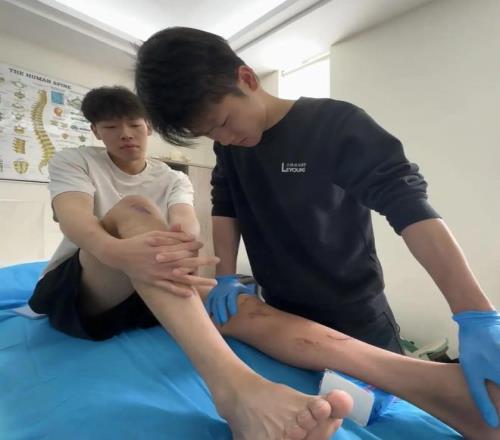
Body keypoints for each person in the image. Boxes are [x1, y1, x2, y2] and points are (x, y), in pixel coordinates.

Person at [134, 27, 500, 427]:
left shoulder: (333, 124)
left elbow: (409, 206)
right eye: (210, 135)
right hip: (283, 316)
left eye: (223, 122)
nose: (224, 138)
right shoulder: (230, 147)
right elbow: (226, 205)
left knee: (443, 412)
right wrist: (224, 275)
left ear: (247, 79)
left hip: (356, 316)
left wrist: (474, 312)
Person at [27, 86, 352, 440]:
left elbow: (185, 223)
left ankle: (398, 373)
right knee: (135, 208)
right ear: (95, 131)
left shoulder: (172, 177)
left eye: (134, 125)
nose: (125, 134)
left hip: (145, 284)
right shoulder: (75, 160)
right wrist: (121, 253)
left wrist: (183, 252)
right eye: (110, 127)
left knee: (241, 307)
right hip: (80, 289)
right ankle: (235, 392)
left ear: (149, 126)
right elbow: (74, 218)